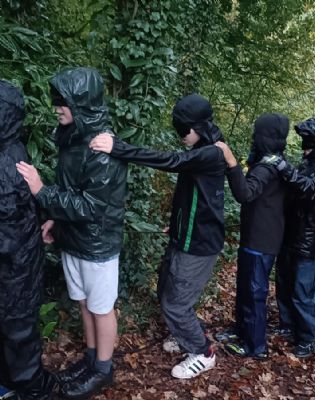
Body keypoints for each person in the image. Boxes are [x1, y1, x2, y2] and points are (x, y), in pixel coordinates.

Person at [89, 93, 226, 379]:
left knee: (175, 304)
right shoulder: (201, 148)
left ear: (199, 127)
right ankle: (185, 332)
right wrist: (176, 224)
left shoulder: (211, 153)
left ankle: (203, 352)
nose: (180, 135)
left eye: (183, 129)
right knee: (165, 290)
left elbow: (171, 161)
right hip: (183, 236)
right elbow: (191, 194)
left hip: (199, 243)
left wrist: (118, 148)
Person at [16, 68, 127, 399]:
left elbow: (92, 207)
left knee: (101, 307)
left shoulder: (101, 149)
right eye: (56, 101)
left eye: (62, 102)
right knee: (83, 303)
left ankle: (103, 370)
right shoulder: (72, 138)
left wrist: (42, 192)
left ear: (81, 104)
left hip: (97, 244)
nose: (57, 108)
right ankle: (91, 360)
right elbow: (71, 191)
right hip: (74, 239)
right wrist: (55, 219)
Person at [213, 113, 289, 359]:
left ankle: (255, 346)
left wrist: (231, 163)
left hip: (261, 240)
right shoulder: (276, 162)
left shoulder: (268, 166)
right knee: (246, 286)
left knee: (254, 291)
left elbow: (245, 194)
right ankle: (242, 330)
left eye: (257, 133)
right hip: (257, 236)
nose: (254, 138)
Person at [265, 115, 315, 358]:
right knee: (285, 284)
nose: (304, 148)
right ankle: (289, 325)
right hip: (289, 235)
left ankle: (312, 337)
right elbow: (293, 188)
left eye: (310, 143)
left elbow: (308, 188)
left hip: (308, 242)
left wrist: (283, 167)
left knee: (302, 292)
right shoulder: (306, 166)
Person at [0, 81, 56, 399]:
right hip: (16, 261)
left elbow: (14, 217)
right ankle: (14, 383)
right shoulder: (13, 152)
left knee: (18, 327)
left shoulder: (12, 158)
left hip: (16, 264)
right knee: (13, 327)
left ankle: (30, 387)